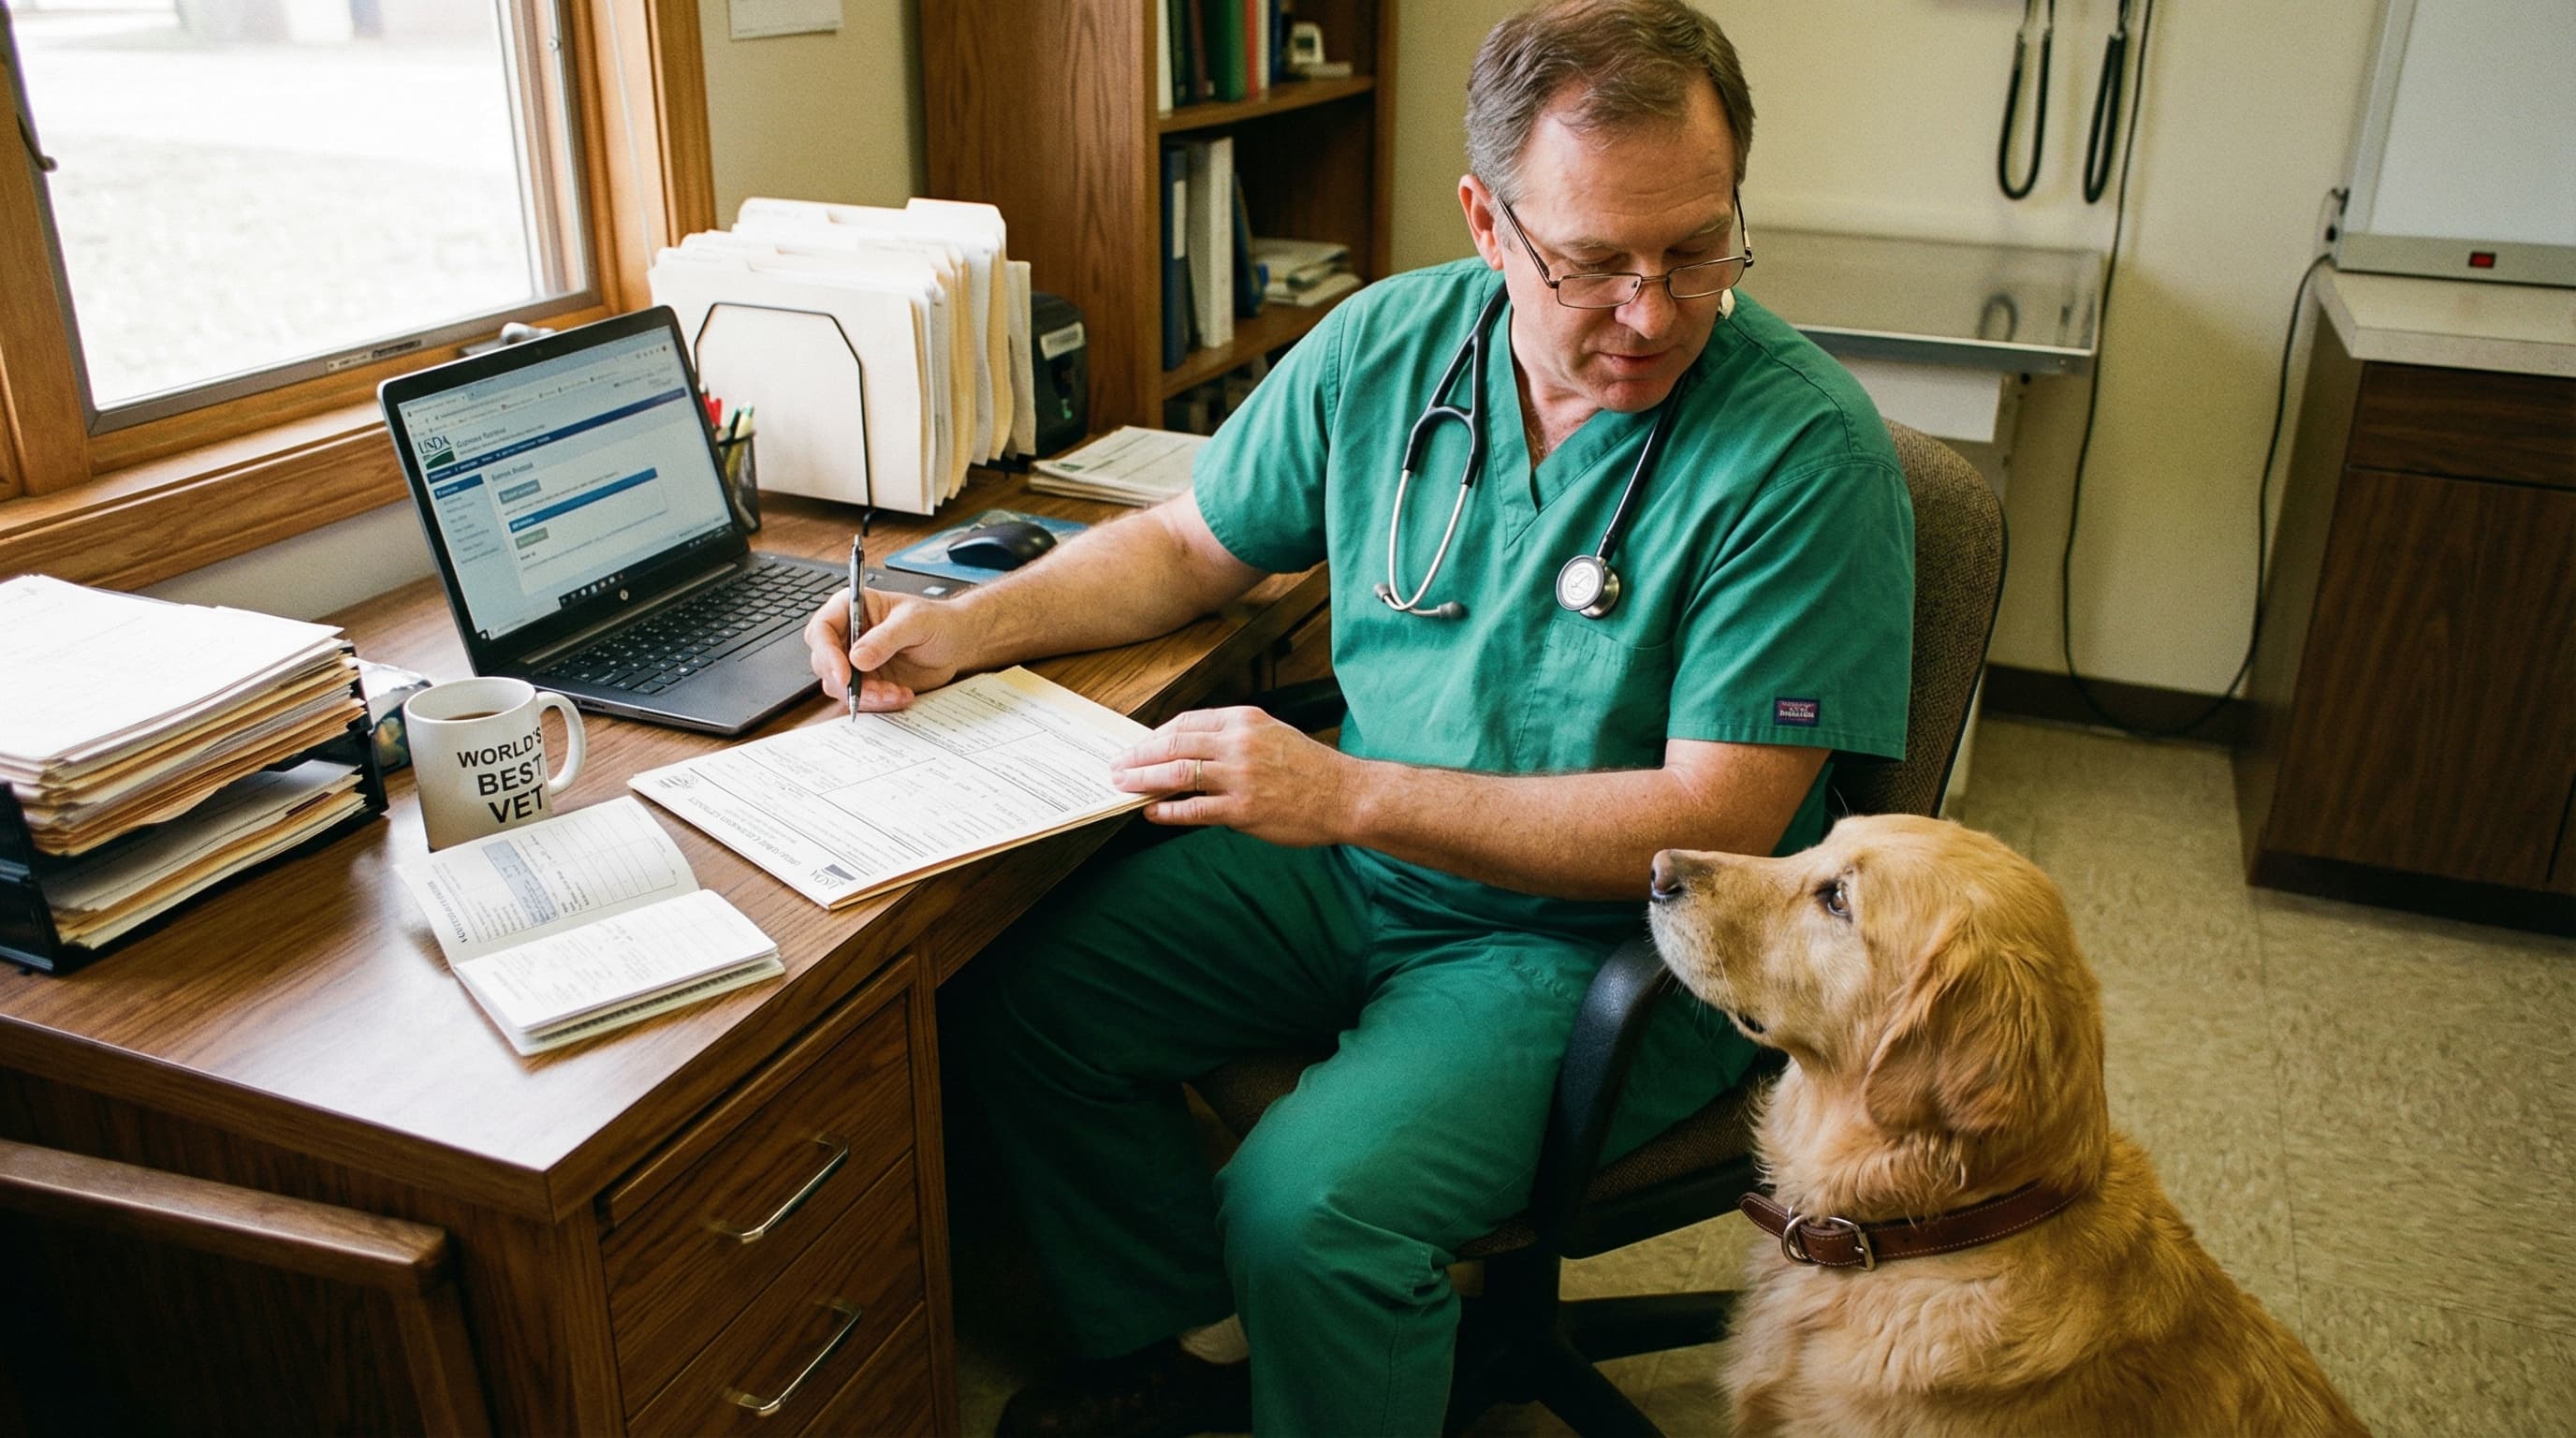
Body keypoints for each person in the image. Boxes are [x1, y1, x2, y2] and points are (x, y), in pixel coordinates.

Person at [801, 3, 1912, 1431]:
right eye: (1592, 262)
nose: (1650, 311)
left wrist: (1349, 796)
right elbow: (1198, 546)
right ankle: (1192, 1344)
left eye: (1696, 251)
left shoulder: (1804, 452)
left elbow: (1721, 822)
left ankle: (1316, 1328)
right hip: (1360, 863)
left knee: (1309, 1207)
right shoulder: (1389, 344)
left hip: (1602, 941)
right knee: (1024, 1002)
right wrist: (961, 627)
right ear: (1487, 221)